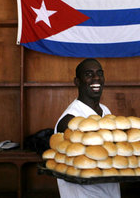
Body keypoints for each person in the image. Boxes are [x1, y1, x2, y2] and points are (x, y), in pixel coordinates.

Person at [54, 58, 121, 198]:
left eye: (100, 73)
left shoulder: (105, 111)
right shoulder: (69, 120)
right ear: (77, 82)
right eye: (89, 74)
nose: (96, 78)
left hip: (110, 192)